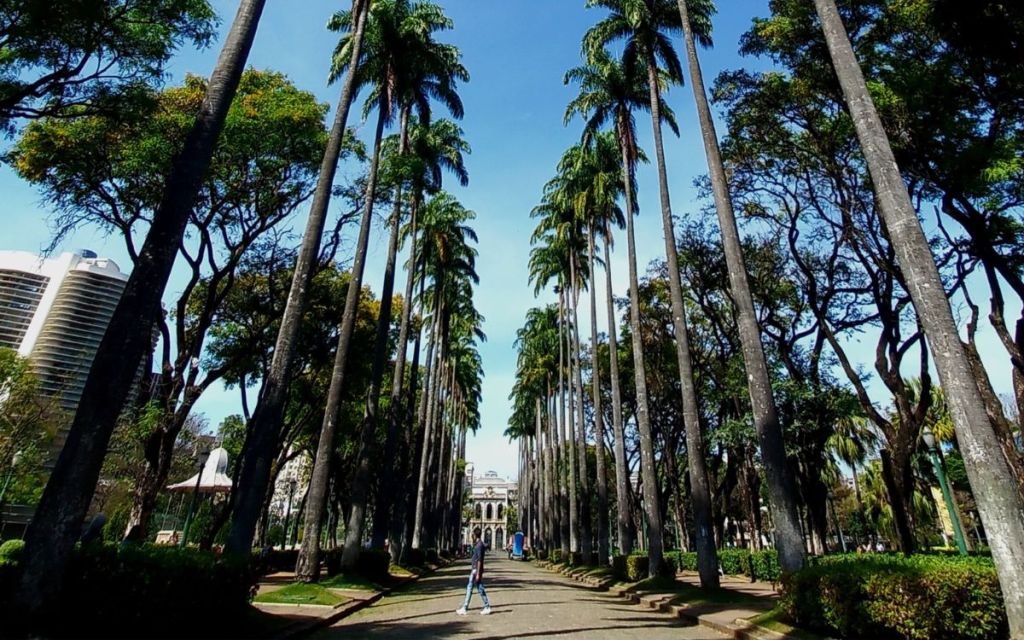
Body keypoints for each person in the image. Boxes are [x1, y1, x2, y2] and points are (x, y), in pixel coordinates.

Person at [456, 527, 491, 616]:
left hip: (476, 570)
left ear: (475, 535)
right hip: (475, 569)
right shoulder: (479, 544)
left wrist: (478, 573)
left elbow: (479, 560)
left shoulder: (479, 545)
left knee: (471, 588)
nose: (472, 536)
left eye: (473, 535)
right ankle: (486, 606)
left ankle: (466, 607)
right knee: (478, 588)